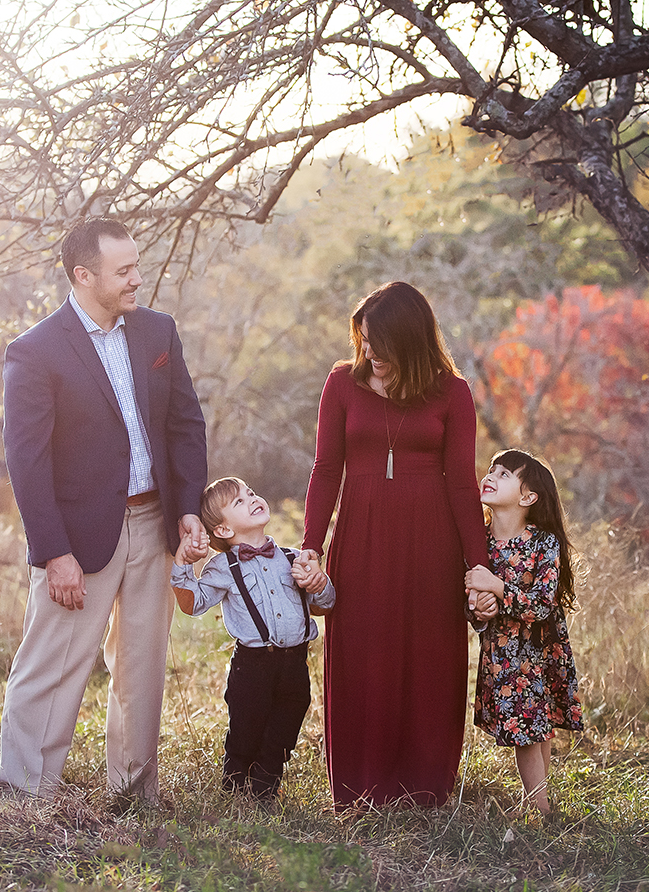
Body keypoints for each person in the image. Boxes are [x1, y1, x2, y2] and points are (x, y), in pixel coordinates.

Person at [0, 217, 209, 802]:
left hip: (152, 525)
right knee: (52, 666)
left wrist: (188, 508)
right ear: (83, 275)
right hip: (77, 536)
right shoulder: (34, 352)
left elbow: (185, 425)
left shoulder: (158, 334)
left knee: (142, 670)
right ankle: (25, 799)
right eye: (124, 271)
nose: (138, 279)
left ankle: (133, 796)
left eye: (137, 266)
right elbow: (27, 463)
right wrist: (54, 552)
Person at [302, 281, 489, 808]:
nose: (370, 355)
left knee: (429, 657)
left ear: (411, 341)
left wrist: (478, 566)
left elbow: (461, 483)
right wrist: (310, 546)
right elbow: (326, 468)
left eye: (380, 346)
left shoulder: (453, 394)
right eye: (363, 341)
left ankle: (425, 787)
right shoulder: (341, 383)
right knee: (363, 653)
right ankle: (361, 786)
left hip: (432, 545)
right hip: (360, 540)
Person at [171, 477, 334, 801]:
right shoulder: (223, 567)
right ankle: (235, 781)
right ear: (224, 530)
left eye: (251, 493)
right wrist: (183, 565)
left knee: (285, 726)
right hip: (253, 665)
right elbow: (194, 604)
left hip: (294, 663)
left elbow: (323, 606)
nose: (253, 499)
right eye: (240, 502)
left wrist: (318, 583)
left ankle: (265, 785)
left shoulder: (292, 558)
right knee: (247, 727)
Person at [464, 449, 584, 816]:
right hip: (503, 654)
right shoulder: (478, 543)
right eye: (491, 470)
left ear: (528, 497)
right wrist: (478, 610)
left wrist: (497, 587)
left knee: (533, 727)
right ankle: (539, 801)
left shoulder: (542, 543)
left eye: (503, 474)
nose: (491, 476)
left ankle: (539, 807)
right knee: (532, 726)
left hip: (538, 650)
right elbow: (471, 599)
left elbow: (543, 605)